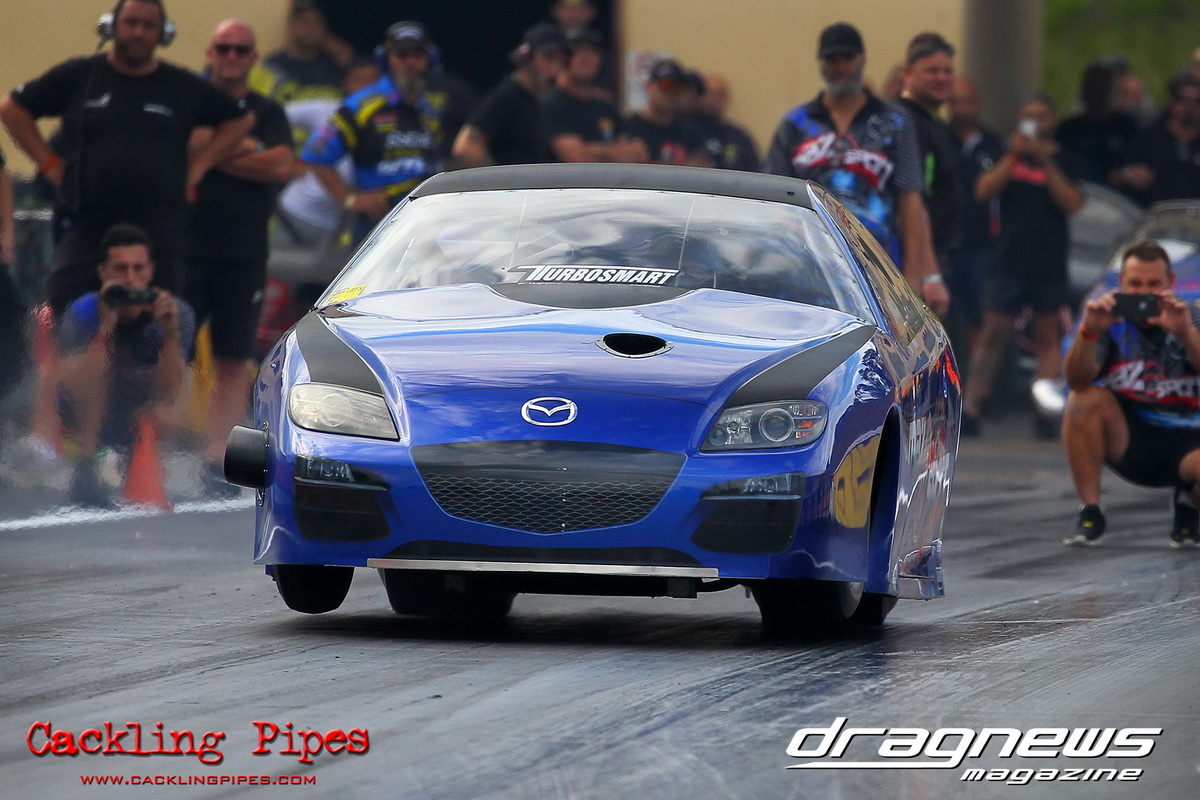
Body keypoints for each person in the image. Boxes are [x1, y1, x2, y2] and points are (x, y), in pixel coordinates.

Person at [0, 0, 253, 315]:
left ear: (163, 34)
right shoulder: (80, 76)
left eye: (149, 26)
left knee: (161, 321)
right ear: (111, 26)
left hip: (158, 232)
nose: (138, 33)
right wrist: (49, 163)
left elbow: (240, 121)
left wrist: (199, 167)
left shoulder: (181, 86)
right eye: (131, 23)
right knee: (64, 314)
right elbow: (12, 108)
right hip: (87, 226)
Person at [763, 22, 948, 316]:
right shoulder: (795, 124)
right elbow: (772, 201)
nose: (840, 67)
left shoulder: (895, 122)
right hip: (805, 267)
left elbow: (911, 202)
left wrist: (913, 278)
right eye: (832, 59)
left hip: (878, 268)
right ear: (820, 63)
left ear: (862, 60)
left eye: (847, 58)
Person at [186, 19, 293, 496]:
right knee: (165, 352)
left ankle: (217, 458)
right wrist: (246, 150)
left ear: (253, 58)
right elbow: (183, 145)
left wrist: (211, 154)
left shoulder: (268, 110)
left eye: (241, 49)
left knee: (233, 357)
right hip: (185, 249)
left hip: (243, 254)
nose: (231, 56)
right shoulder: (189, 102)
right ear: (210, 52)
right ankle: (139, 449)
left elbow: (282, 165)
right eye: (224, 48)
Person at [960, 94, 1086, 438]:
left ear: (1052, 119)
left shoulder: (1065, 160)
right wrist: (1014, 155)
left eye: (1041, 116)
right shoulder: (1006, 155)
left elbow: (1072, 203)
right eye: (1029, 116)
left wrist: (1045, 160)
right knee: (992, 334)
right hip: (1007, 259)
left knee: (1047, 337)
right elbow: (983, 190)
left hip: (1048, 261)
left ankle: (1045, 410)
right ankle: (972, 407)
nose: (1035, 122)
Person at [1061, 241, 1200, 547]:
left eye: (1154, 284)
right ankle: (1090, 511)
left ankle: (1188, 505)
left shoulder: (1190, 314)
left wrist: (1186, 334)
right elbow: (1076, 380)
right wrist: (1088, 332)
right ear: (1122, 283)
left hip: (1189, 439)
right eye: (1135, 284)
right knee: (1082, 400)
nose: (1144, 293)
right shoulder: (1109, 318)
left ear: (1170, 283)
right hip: (1131, 438)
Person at [57, 223, 195, 508]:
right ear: (103, 272)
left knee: (168, 412)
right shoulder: (84, 311)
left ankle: (145, 472)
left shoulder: (173, 312)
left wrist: (170, 336)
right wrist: (105, 328)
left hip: (140, 404)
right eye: (120, 269)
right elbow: (75, 385)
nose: (130, 278)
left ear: (151, 271)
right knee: (92, 382)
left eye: (138, 268)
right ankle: (87, 467)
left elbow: (170, 391)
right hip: (89, 408)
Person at [302, 21, 442, 242]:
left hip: (423, 221)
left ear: (429, 59)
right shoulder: (361, 106)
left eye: (418, 55)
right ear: (387, 60)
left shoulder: (429, 109)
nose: (410, 62)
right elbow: (316, 155)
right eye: (402, 55)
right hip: (377, 223)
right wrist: (350, 199)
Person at [275, 57, 380, 247]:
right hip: (294, 213)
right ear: (347, 83)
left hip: (334, 226)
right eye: (359, 80)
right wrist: (289, 157)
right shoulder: (327, 110)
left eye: (372, 80)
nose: (366, 87)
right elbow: (273, 117)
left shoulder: (385, 122)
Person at [897, 32, 962, 292]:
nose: (942, 78)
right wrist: (929, 274)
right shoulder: (905, 123)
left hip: (944, 261)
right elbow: (914, 203)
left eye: (947, 71)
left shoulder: (935, 124)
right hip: (920, 271)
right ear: (908, 72)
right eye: (932, 71)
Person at [452, 24, 570, 167]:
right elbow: (466, 148)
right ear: (526, 57)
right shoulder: (508, 96)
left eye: (561, 61)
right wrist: (501, 178)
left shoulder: (538, 100)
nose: (555, 67)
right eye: (548, 57)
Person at [947, 77, 1005, 358]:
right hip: (944, 242)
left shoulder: (993, 144)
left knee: (978, 317)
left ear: (978, 103)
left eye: (967, 102)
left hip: (981, 244)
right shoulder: (939, 138)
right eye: (956, 102)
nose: (962, 109)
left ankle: (973, 380)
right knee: (939, 315)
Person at [248, 0, 353, 151]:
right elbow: (255, 115)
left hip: (323, 156)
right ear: (291, 25)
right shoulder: (270, 68)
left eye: (317, 22)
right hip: (279, 152)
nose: (310, 27)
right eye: (303, 21)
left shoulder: (336, 69)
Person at [542, 28, 646, 163]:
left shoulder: (605, 108)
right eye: (577, 51)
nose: (586, 57)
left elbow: (639, 154)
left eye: (592, 51)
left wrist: (593, 149)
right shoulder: (550, 106)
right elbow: (577, 159)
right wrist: (616, 151)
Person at [1110, 72, 1200, 207]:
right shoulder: (1147, 138)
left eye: (1197, 101)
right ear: (1172, 102)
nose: (1190, 107)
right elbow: (1113, 175)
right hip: (1155, 214)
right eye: (1183, 99)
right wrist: (1129, 174)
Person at [1055, 62, 1141, 185]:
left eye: (1102, 87)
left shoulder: (1127, 128)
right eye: (1093, 87)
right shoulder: (1068, 130)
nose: (1098, 94)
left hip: (1116, 192)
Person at [624, 59, 710, 167]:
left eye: (679, 86)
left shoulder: (690, 135)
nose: (672, 91)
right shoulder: (626, 128)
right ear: (649, 87)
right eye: (666, 85)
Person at [691, 73, 761, 172]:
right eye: (707, 93)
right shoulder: (684, 132)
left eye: (718, 94)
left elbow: (754, 173)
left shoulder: (739, 138)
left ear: (727, 99)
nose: (712, 99)